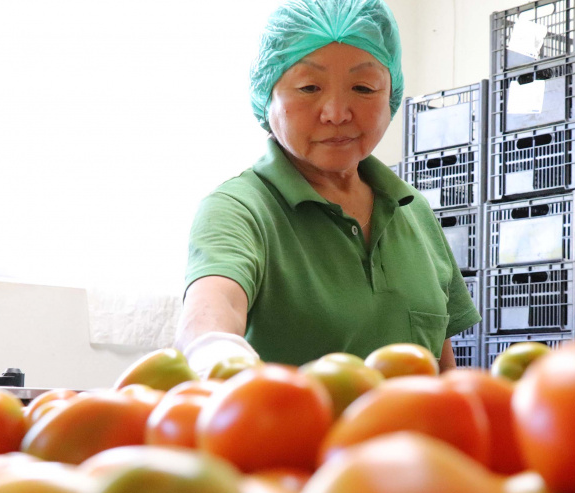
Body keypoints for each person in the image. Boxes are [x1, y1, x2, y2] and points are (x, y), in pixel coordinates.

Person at [175, 0, 480, 376]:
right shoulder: (240, 209)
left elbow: (445, 374)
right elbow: (210, 311)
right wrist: (212, 353)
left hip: (412, 436)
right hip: (288, 433)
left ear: (391, 96)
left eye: (364, 87)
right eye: (308, 87)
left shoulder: (413, 210)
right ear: (268, 95)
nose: (336, 112)